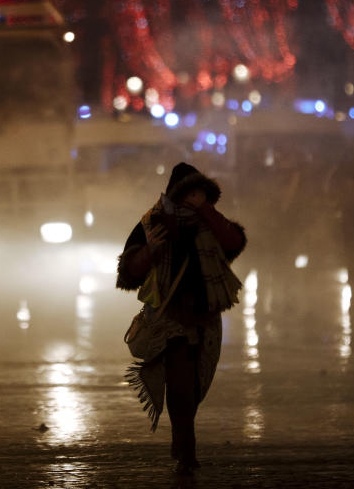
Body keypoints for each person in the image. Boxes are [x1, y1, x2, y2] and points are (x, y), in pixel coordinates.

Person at [116, 162, 247, 475]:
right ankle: (186, 447)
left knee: (196, 382)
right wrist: (150, 251)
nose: (195, 198)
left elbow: (233, 243)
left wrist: (207, 213)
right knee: (179, 383)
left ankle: (182, 435)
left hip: (204, 316)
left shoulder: (210, 223)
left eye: (200, 193)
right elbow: (129, 272)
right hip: (169, 318)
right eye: (190, 193)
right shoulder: (153, 222)